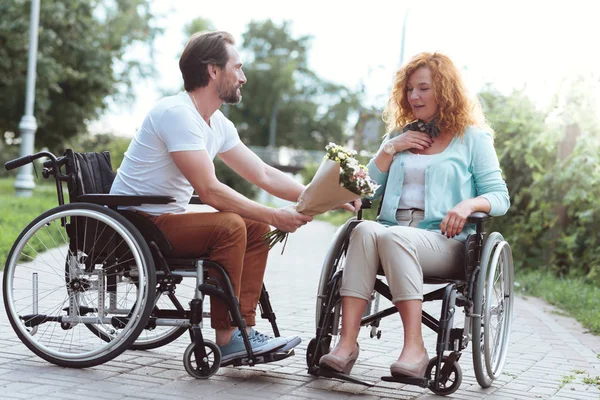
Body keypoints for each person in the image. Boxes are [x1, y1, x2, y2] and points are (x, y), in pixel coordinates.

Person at [110, 31, 356, 363]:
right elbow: (210, 190)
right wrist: (274, 214)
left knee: (253, 226)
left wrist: (327, 196)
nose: (243, 77)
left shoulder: (216, 123)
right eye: (237, 67)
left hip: (162, 221)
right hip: (136, 224)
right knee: (230, 225)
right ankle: (226, 337)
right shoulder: (177, 114)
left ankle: (242, 329)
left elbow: (264, 174)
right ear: (213, 70)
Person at [318, 52, 510, 377]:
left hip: (444, 241)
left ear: (445, 92)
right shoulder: (399, 137)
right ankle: (347, 344)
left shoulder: (472, 139)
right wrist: (391, 148)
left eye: (423, 88)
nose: (414, 96)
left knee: (391, 236)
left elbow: (499, 197)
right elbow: (366, 190)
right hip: (390, 235)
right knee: (363, 231)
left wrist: (467, 206)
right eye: (409, 90)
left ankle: (415, 349)